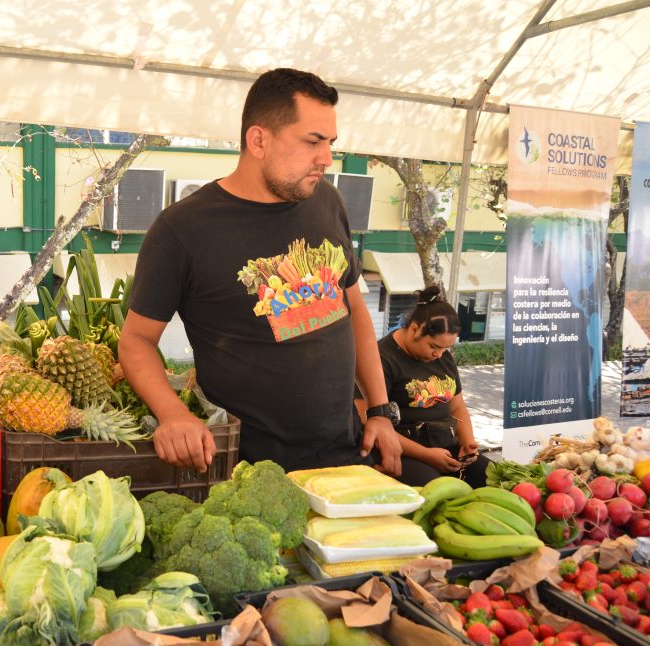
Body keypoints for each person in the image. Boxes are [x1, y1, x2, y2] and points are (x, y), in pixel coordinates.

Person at [118, 67, 401, 475]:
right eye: (313, 141)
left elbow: (353, 307)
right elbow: (137, 341)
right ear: (258, 140)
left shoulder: (328, 201)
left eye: (330, 143)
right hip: (247, 470)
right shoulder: (182, 229)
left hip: (346, 451)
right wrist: (173, 413)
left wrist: (380, 410)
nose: (327, 158)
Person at [354, 286, 488, 488]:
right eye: (434, 346)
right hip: (403, 452)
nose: (439, 354)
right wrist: (426, 455)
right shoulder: (381, 359)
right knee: (439, 492)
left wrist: (467, 443)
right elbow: (365, 418)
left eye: (446, 348)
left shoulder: (443, 358)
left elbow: (457, 407)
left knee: (494, 479)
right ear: (415, 329)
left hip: (446, 448)